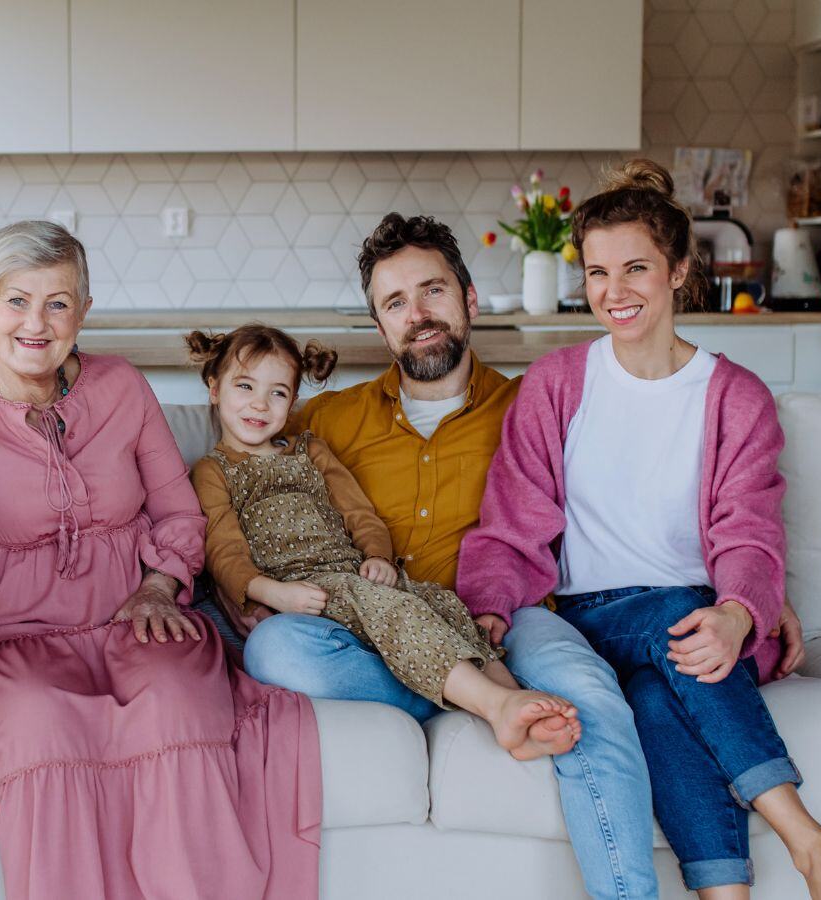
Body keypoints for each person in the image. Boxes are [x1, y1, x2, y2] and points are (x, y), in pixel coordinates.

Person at [458, 159, 821, 900]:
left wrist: (738, 612)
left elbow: (750, 533)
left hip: (701, 619)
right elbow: (511, 524)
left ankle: (725, 895)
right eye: (596, 273)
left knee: (663, 700)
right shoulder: (557, 385)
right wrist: (490, 613)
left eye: (634, 268)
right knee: (675, 619)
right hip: (594, 619)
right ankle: (812, 844)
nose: (613, 292)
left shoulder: (735, 397)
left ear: (679, 270)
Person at [0, 221, 322, 900]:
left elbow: (178, 512)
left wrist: (162, 586)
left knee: (177, 705)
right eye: (16, 300)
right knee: (41, 728)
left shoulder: (122, 387)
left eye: (58, 302)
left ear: (83, 312)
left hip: (136, 619)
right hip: (19, 636)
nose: (36, 323)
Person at [236, 211, 668, 899]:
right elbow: (249, 501)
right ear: (380, 327)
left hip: (511, 622)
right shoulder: (324, 423)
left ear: (469, 299)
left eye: (433, 291)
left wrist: (744, 596)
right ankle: (482, 698)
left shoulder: (537, 405)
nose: (418, 315)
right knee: (276, 651)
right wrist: (250, 593)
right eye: (396, 303)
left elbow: (635, 506)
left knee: (587, 697)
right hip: (376, 626)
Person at [187, 323, 579, 760]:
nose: (260, 404)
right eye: (245, 386)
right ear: (214, 389)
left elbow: (359, 512)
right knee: (296, 646)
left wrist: (377, 556)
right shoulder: (212, 471)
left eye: (278, 393)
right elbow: (223, 548)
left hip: (352, 577)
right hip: (300, 592)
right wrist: (268, 591)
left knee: (437, 608)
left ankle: (515, 709)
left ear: (293, 400)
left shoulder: (309, 450)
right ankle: (489, 704)